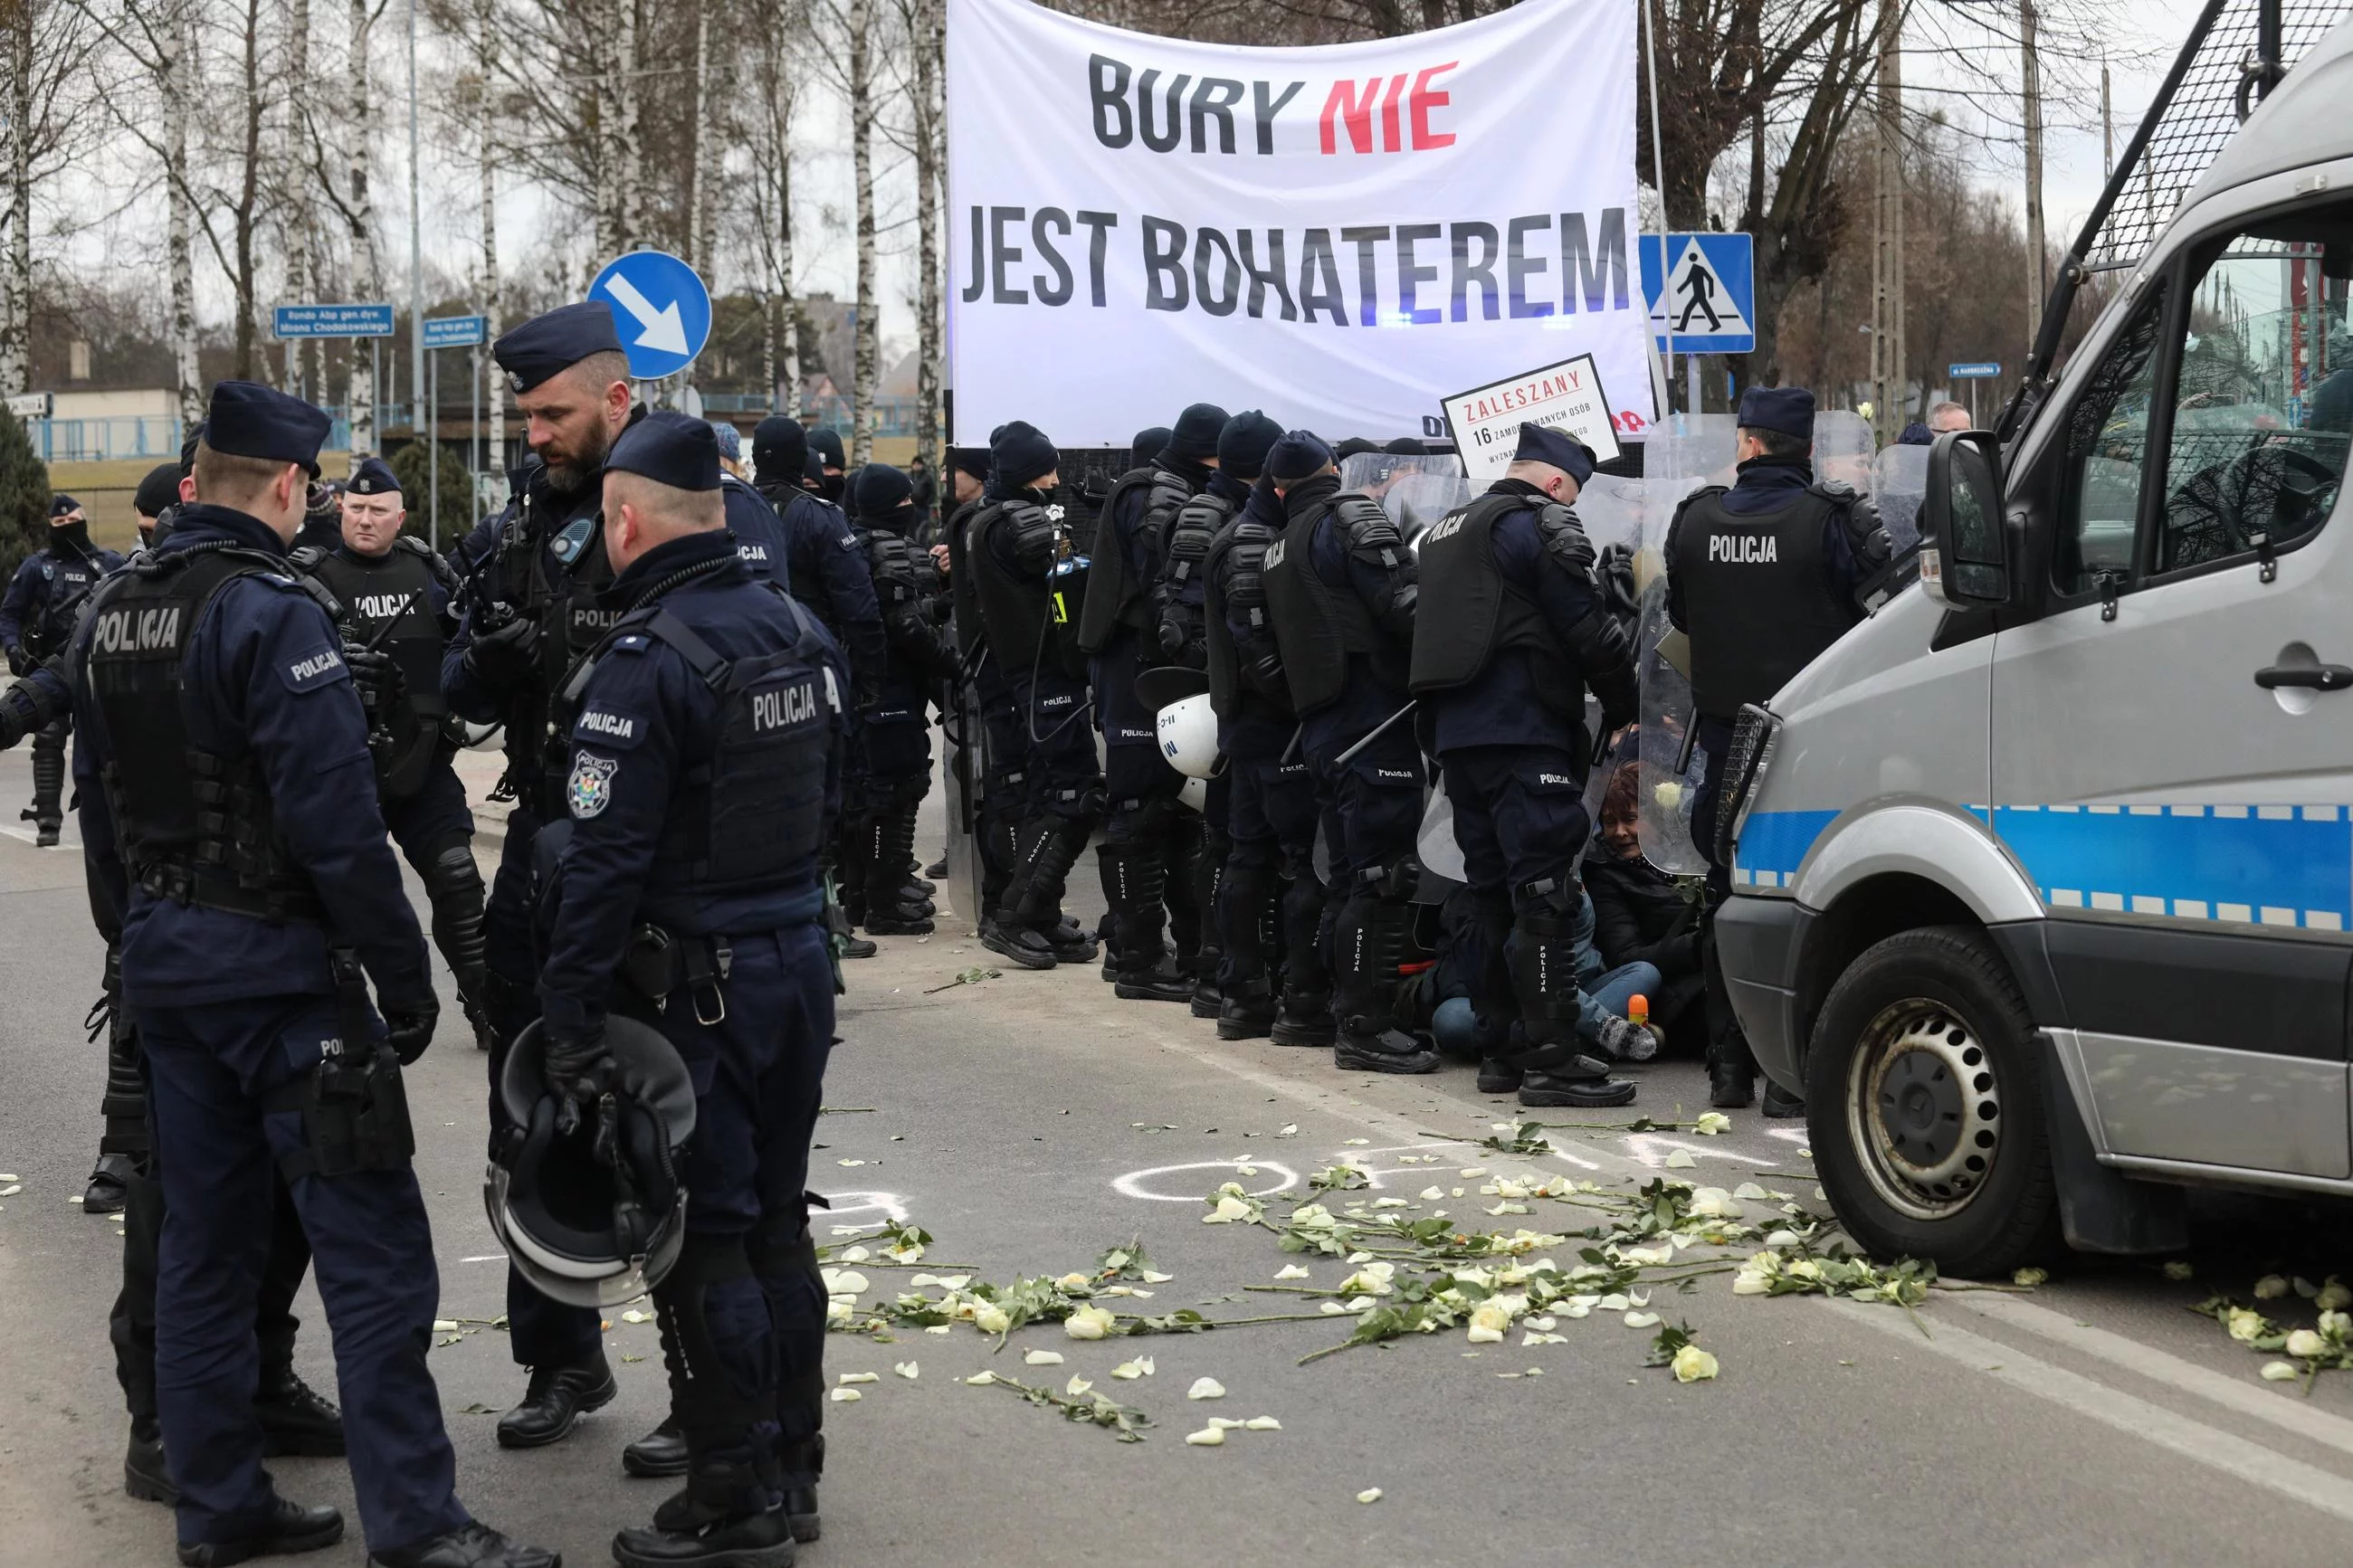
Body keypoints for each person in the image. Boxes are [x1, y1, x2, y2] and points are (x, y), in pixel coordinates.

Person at [71, 379, 553, 1568]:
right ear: (289, 486)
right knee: (375, 1257)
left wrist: (141, 937)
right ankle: (418, 1524)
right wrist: (407, 978)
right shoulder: (272, 612)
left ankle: (220, 1506)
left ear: (199, 479)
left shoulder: (113, 608)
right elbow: (337, 825)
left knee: (203, 1253)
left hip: (170, 971)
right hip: (284, 979)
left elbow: (98, 808)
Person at [535, 411, 846, 1568]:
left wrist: (569, 1022)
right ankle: (792, 1469)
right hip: (796, 965)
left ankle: (734, 1496)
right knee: (776, 1218)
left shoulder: (649, 658)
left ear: (624, 521)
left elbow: (602, 863)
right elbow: (841, 794)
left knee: (705, 1236)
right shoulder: (802, 631)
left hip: (696, 992)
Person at [443, 299, 636, 1452]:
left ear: (616, 398)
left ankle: (708, 1384)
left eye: (552, 413)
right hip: (540, 838)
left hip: (646, 854)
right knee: (527, 1102)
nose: (534, 433)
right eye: (525, 415)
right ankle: (560, 1357)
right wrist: (485, 663)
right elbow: (451, 691)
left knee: (669, 1107)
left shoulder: (677, 506)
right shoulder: (517, 525)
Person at [1665, 385, 1889, 1114]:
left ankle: (1729, 1068)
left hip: (1727, 747)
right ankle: (1792, 1079)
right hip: (1817, 747)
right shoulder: (1835, 521)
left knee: (1727, 897)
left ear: (1749, 443)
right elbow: (1884, 619)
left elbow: (1680, 615)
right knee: (1814, 900)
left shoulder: (1695, 520)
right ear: (1808, 448)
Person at [1410, 422, 1648, 1107]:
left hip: (1458, 740)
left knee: (1488, 893)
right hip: (1524, 730)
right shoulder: (1536, 523)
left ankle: (1501, 1051)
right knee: (1544, 893)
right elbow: (1587, 627)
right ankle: (1552, 1060)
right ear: (1554, 481)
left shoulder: (1449, 529)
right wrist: (1625, 704)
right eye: (1572, 494)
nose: (1570, 506)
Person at [291, 456, 493, 1051]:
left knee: (458, 877)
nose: (365, 519)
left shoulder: (430, 571)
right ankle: (337, 1026)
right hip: (345, 771)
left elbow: (464, 647)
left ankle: (489, 1008)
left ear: (400, 517)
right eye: (355, 508)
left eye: (378, 510)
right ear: (340, 510)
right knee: (335, 900)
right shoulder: (309, 578)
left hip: (423, 764)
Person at [1260, 431, 1433, 1073]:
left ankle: (1339, 1012)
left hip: (1323, 727)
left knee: (1349, 875)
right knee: (1383, 874)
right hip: (1373, 719)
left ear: (1280, 488)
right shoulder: (1350, 515)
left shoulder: (1279, 543)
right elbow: (1405, 606)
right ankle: (1366, 1025)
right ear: (1334, 469)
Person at [1079, 404, 1227, 1002]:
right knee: (1138, 810)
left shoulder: (1159, 486)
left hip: (1146, 669)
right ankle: (1136, 959)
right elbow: (1168, 587)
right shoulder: (1155, 495)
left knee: (1174, 812)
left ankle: (1176, 950)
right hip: (1137, 669)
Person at [1202, 411, 1330, 1043]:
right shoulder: (1253, 540)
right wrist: (1307, 704)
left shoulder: (1249, 531)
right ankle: (1295, 1000)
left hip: (1251, 724)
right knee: (1299, 858)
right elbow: (1257, 646)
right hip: (1272, 726)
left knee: (1249, 856)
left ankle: (1245, 995)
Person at [968, 421, 1103, 969]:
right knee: (1072, 794)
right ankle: (1016, 916)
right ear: (1029, 473)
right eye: (1048, 470)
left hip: (1024, 675)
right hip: (1044, 674)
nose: (1055, 480)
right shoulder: (1023, 521)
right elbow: (1070, 583)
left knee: (1046, 792)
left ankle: (1039, 912)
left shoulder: (984, 518)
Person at [844, 462, 958, 936]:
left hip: (871, 685)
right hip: (889, 685)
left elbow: (899, 609)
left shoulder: (851, 545)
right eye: (904, 499)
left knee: (884, 789)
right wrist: (952, 665)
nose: (911, 507)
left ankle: (873, 892)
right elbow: (906, 627)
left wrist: (937, 597)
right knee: (892, 790)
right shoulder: (886, 547)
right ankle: (883, 901)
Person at [2, 491, 122, 845]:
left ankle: (112, 820)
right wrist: (13, 648)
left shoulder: (110, 564)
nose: (68, 527)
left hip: (97, 668)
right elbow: (10, 613)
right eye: (60, 523)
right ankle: (48, 820)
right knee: (48, 738)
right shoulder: (37, 567)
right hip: (52, 667)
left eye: (73, 521)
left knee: (105, 743)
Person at [1585, 762, 1705, 1056]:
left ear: (1656, 818)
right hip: (1666, 994)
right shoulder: (1605, 876)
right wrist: (1696, 946)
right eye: (1610, 822)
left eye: (1630, 819)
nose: (1620, 832)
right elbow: (1625, 957)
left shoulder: (1684, 858)